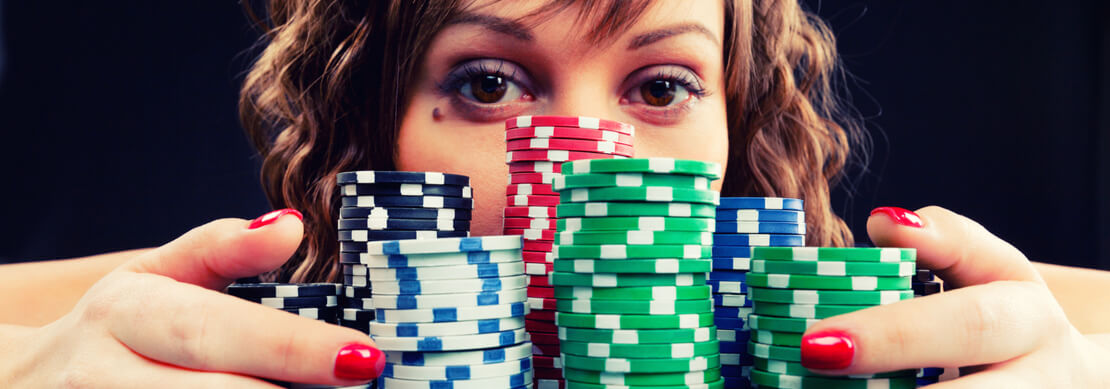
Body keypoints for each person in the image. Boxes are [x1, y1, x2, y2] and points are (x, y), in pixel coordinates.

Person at [1, 0, 1108, 387]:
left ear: (738, 130)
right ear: (375, 124)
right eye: (489, 82)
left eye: (662, 84)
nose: (589, 165)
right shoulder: (223, 335)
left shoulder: (899, 332)